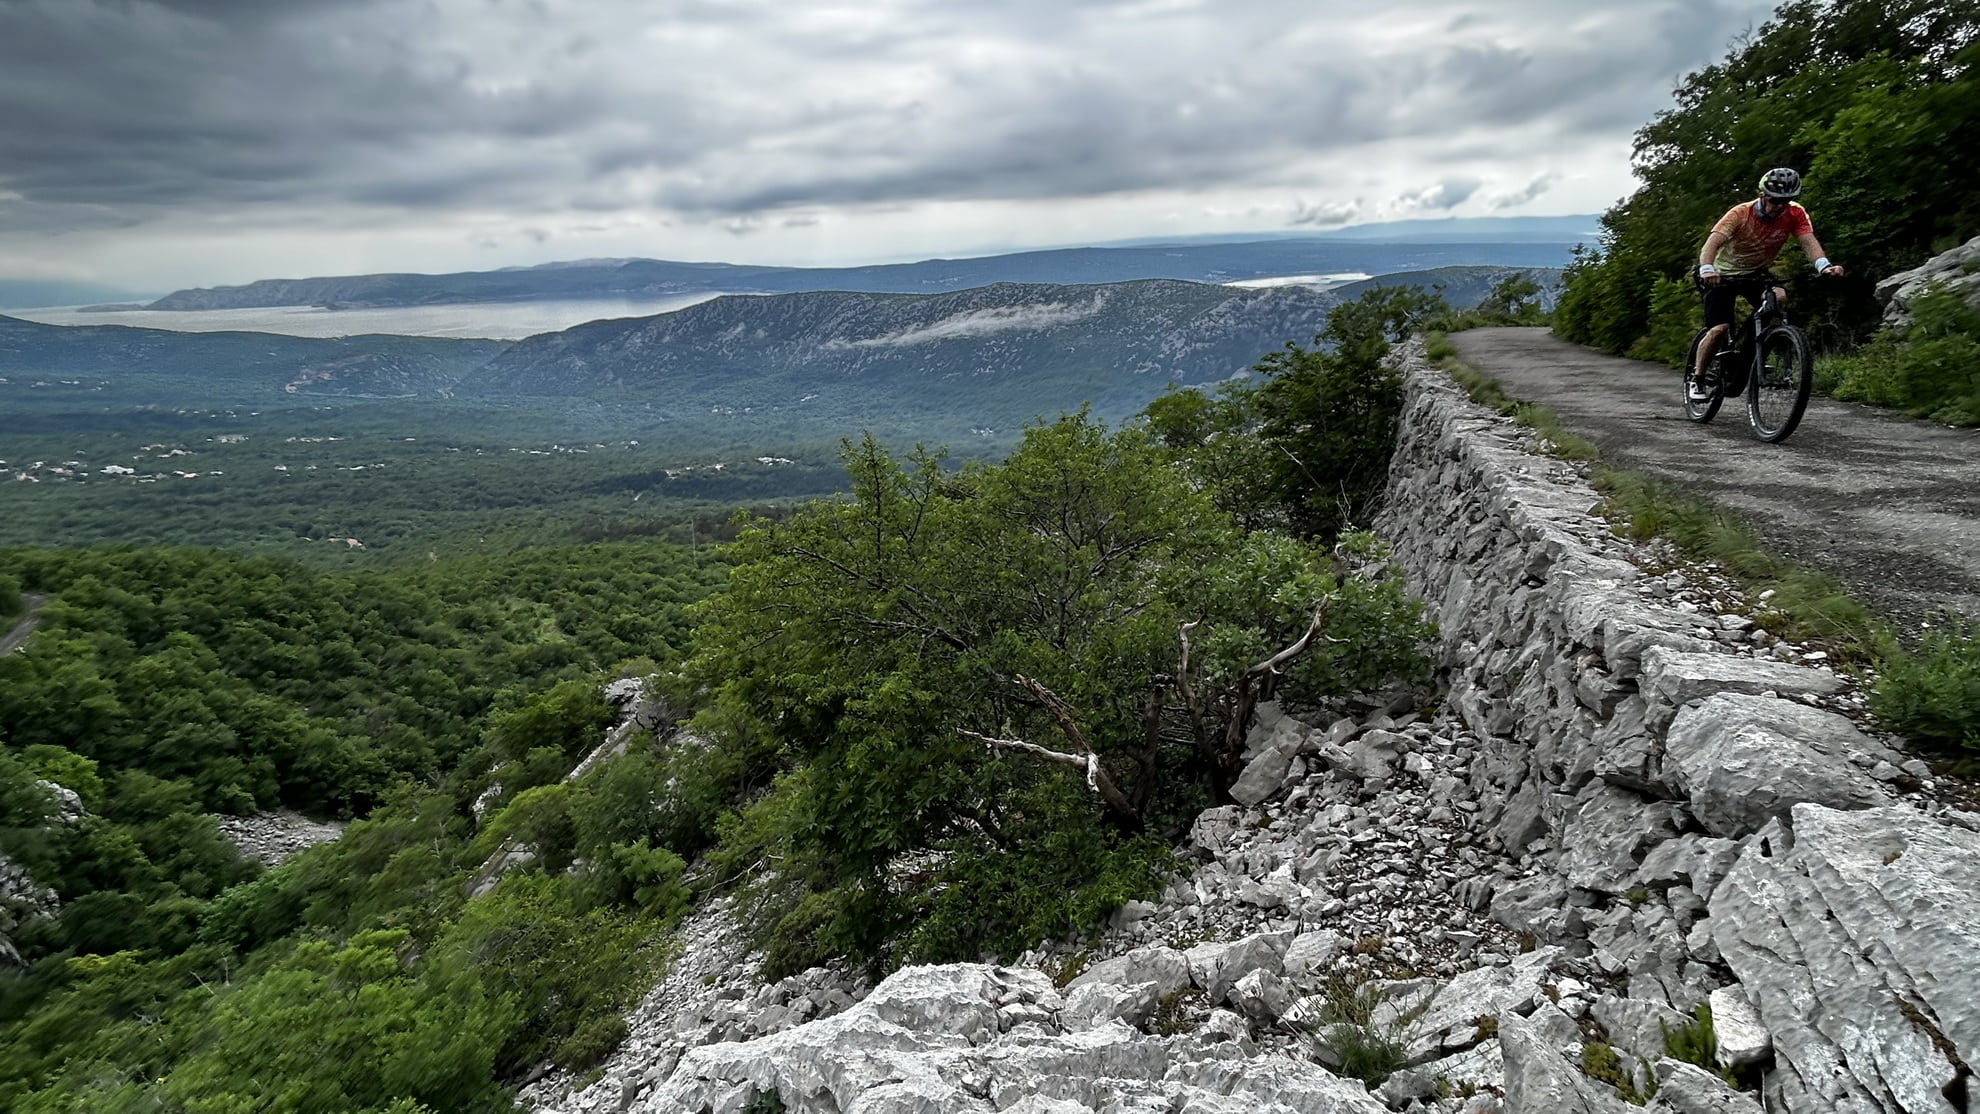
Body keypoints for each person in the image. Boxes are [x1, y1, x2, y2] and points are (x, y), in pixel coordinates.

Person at [1690, 167, 1845, 400]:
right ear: (1762, 195)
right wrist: (1707, 269)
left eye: (1786, 201)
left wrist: (1824, 266)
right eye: (1774, 201)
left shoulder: (1795, 214)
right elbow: (1711, 244)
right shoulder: (1740, 214)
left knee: (1779, 298)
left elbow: (1807, 241)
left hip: (1755, 273)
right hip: (1722, 275)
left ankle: (1756, 354)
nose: (1779, 207)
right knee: (1719, 329)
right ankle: (1698, 378)